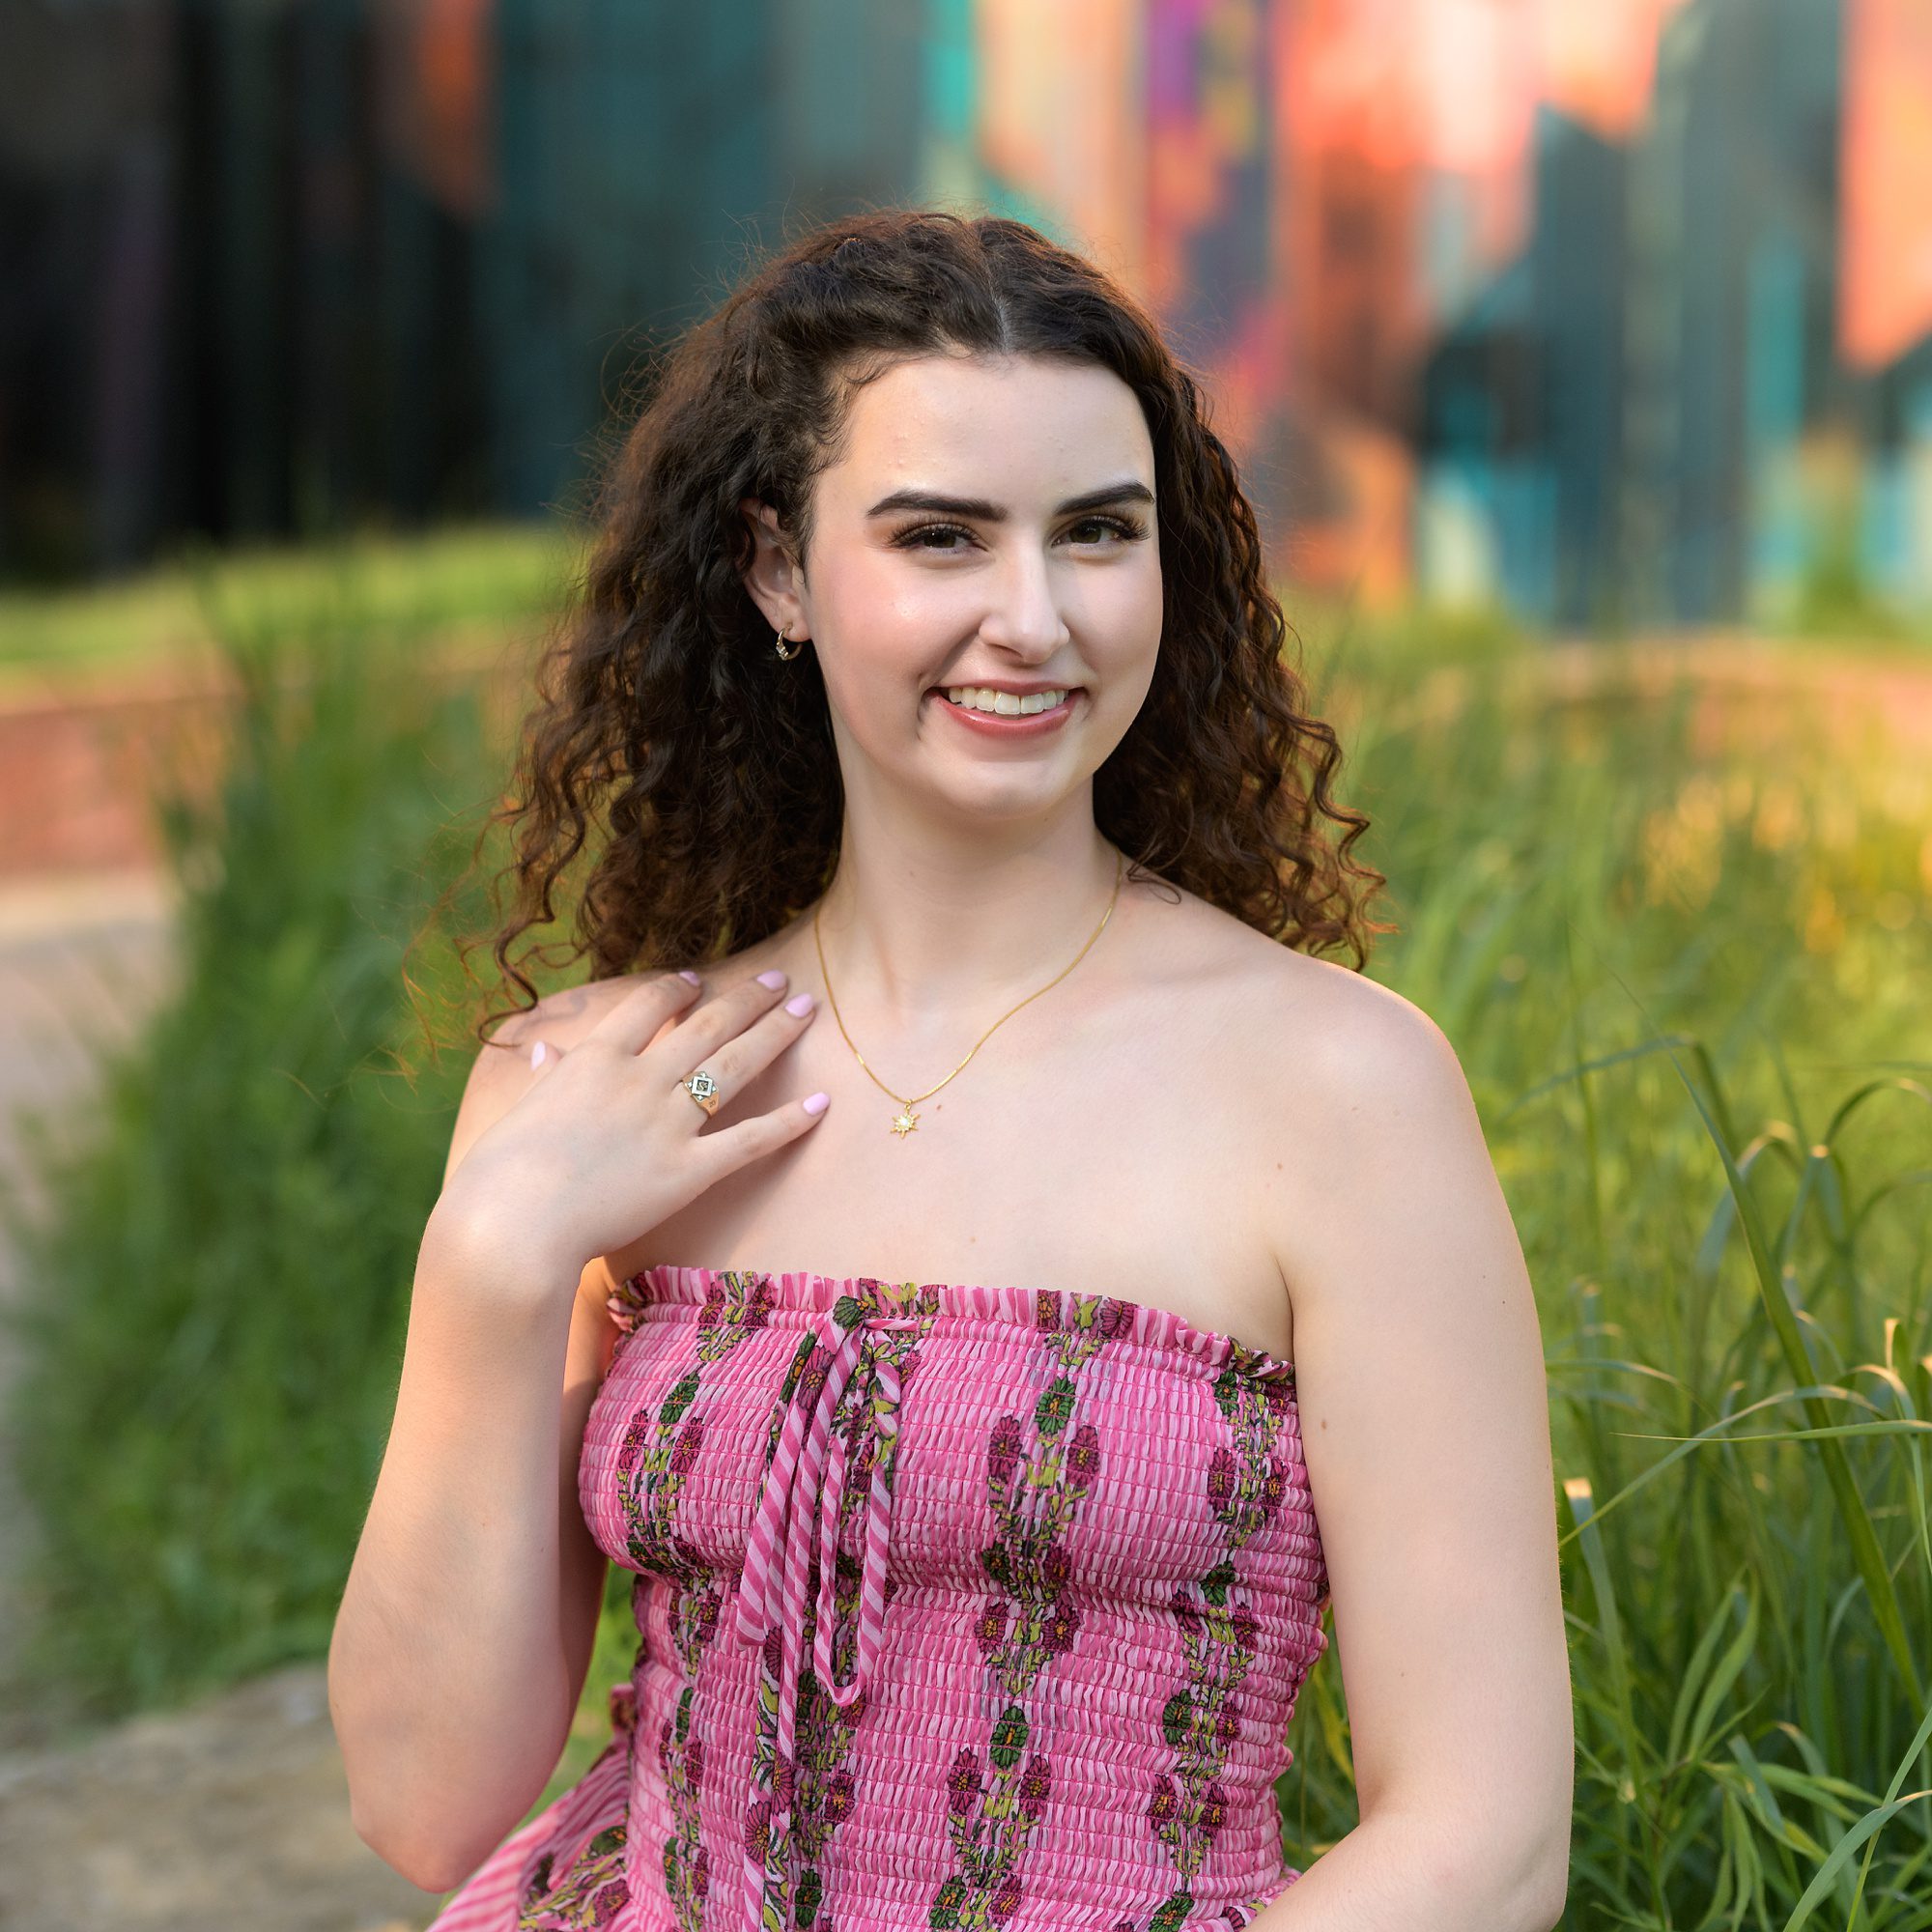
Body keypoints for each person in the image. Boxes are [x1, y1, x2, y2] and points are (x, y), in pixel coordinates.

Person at [327, 209, 1573, 1930]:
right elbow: (422, 1804)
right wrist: (492, 1263)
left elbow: (1487, 1840)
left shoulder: (1339, 1092)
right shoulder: (602, 1083)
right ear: (778, 570)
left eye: (1097, 535)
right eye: (940, 536)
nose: (1033, 618)